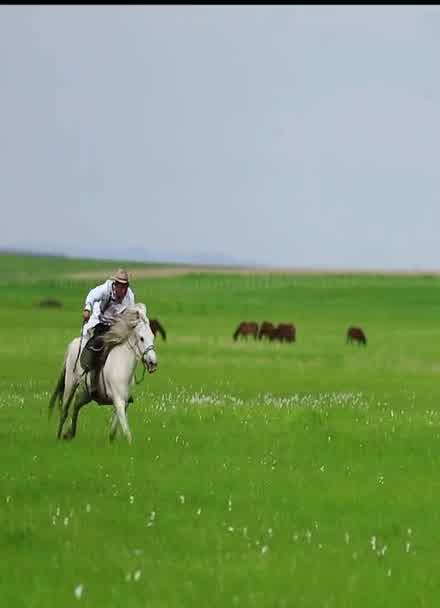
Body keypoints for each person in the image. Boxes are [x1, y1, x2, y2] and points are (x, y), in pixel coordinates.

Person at [79, 269, 136, 394]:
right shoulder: (106, 289)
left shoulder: (129, 296)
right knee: (98, 347)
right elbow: (92, 295)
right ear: (115, 284)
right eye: (120, 285)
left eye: (125, 286)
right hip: (103, 325)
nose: (123, 289)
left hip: (118, 328)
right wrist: (87, 309)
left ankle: (125, 387)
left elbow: (131, 313)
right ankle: (93, 383)